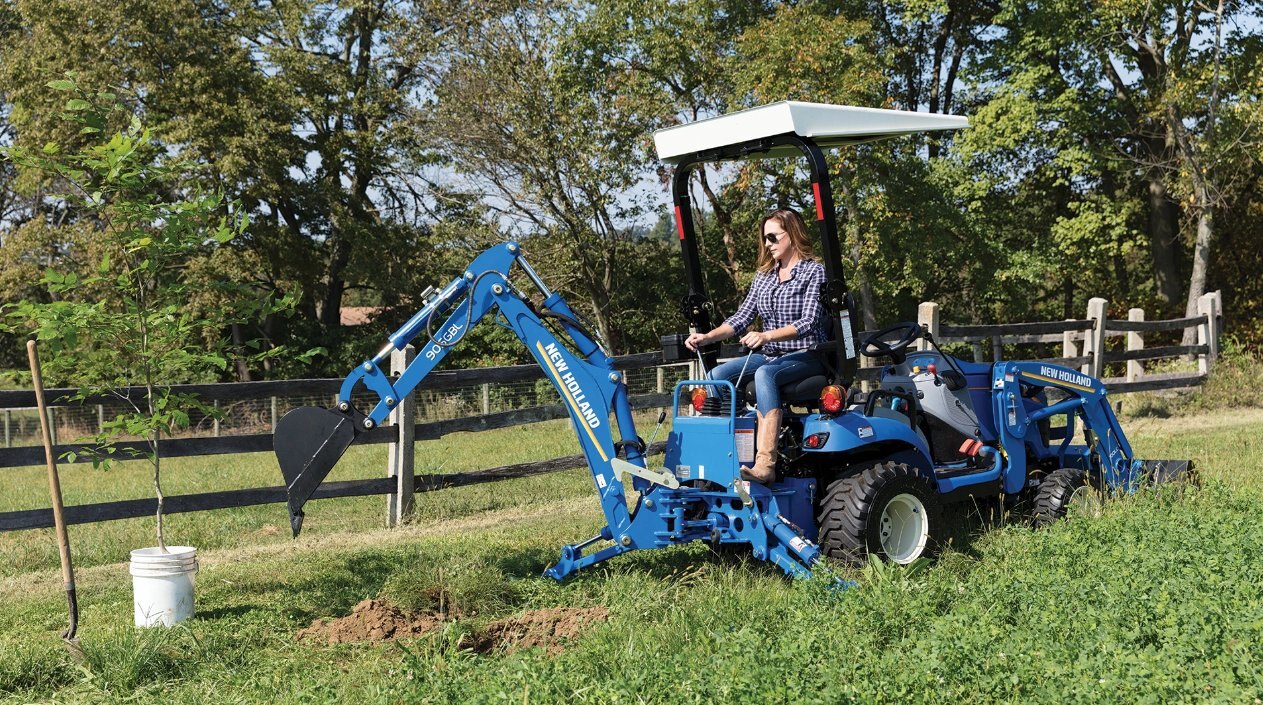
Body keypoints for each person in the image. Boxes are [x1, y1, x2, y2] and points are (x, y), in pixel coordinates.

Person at [685, 208, 829, 483]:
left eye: (773, 237)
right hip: (772, 355)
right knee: (717, 377)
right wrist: (707, 336)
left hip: (806, 355)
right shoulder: (764, 277)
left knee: (765, 374)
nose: (768, 244)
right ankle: (726, 455)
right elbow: (741, 318)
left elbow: (809, 321)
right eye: (765, 239)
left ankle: (766, 464)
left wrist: (766, 336)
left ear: (792, 234)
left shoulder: (814, 272)